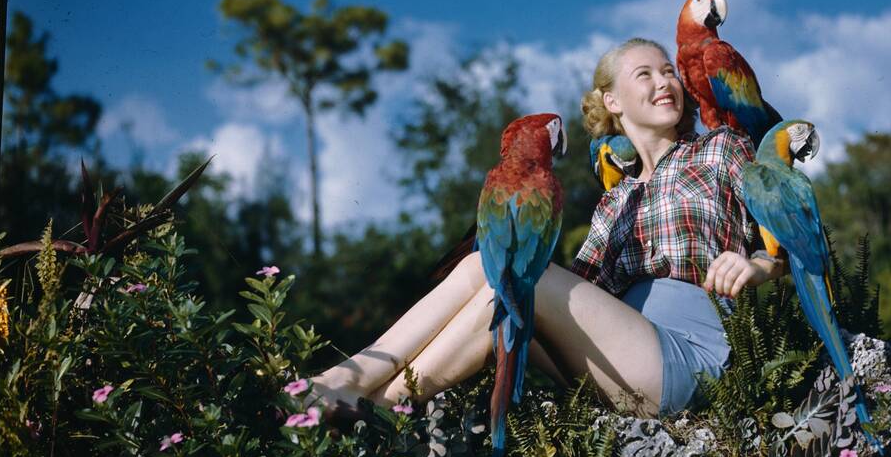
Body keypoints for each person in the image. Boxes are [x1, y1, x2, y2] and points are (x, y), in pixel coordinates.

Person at [310, 37, 786, 422]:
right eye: (646, 74)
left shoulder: (721, 149)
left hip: (689, 357)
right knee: (491, 277)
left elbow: (789, 245)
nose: (665, 82)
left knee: (519, 281)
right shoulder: (613, 202)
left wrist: (756, 264)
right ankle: (367, 404)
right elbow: (580, 295)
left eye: (668, 71)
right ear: (611, 101)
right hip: (618, 358)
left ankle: (355, 393)